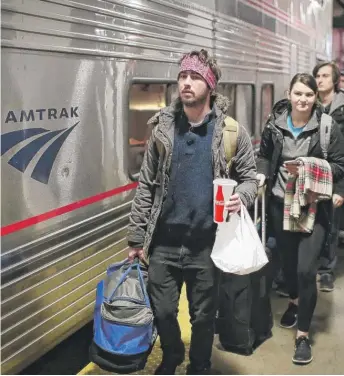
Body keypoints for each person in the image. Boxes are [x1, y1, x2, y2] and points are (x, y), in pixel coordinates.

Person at [127, 49, 258, 375]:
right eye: (183, 76)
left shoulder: (230, 133)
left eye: (195, 77)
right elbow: (146, 185)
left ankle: (199, 365)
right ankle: (171, 355)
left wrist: (240, 197)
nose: (186, 83)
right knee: (163, 311)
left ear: (210, 85)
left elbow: (250, 180)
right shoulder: (161, 130)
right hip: (164, 244)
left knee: (202, 316)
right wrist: (136, 236)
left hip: (206, 245)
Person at [256, 73, 344, 365]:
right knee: (289, 265)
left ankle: (303, 336)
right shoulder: (275, 124)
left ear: (315, 97)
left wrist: (309, 169)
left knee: (307, 270)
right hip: (281, 203)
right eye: (298, 94)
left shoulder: (327, 128)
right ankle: (294, 300)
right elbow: (265, 154)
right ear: (289, 94)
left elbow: (340, 164)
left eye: (308, 94)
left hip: (313, 207)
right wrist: (261, 173)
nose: (303, 99)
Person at [313, 61, 344, 291]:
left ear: (335, 81)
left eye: (325, 75)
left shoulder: (342, 108)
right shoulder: (309, 105)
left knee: (332, 223)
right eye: (317, 75)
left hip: (337, 172)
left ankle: (326, 271)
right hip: (312, 173)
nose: (320, 79)